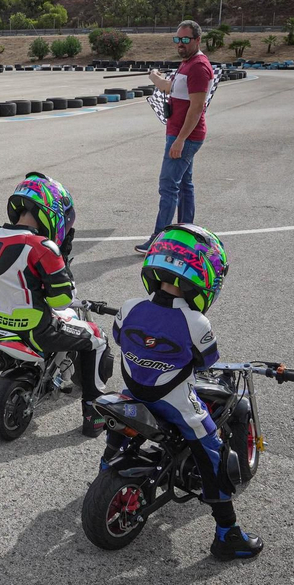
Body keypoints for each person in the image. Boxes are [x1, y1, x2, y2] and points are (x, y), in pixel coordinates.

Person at [108, 224, 262, 560]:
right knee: (214, 455)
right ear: (205, 277)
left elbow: (120, 337)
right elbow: (206, 361)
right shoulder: (197, 323)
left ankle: (108, 465)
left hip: (132, 393)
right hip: (175, 404)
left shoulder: (130, 306)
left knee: (117, 419)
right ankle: (227, 533)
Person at [0, 173, 112, 436]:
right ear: (51, 211)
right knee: (97, 338)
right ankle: (93, 412)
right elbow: (62, 299)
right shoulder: (42, 246)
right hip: (38, 328)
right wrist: (61, 257)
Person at [135, 20, 215, 254]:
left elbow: (197, 107)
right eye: (177, 39)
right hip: (179, 133)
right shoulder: (186, 64)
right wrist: (155, 77)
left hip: (185, 136)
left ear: (197, 40)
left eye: (185, 40)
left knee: (168, 185)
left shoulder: (199, 67)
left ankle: (160, 239)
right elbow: (170, 88)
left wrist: (180, 140)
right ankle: (186, 232)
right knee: (184, 185)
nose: (180, 44)